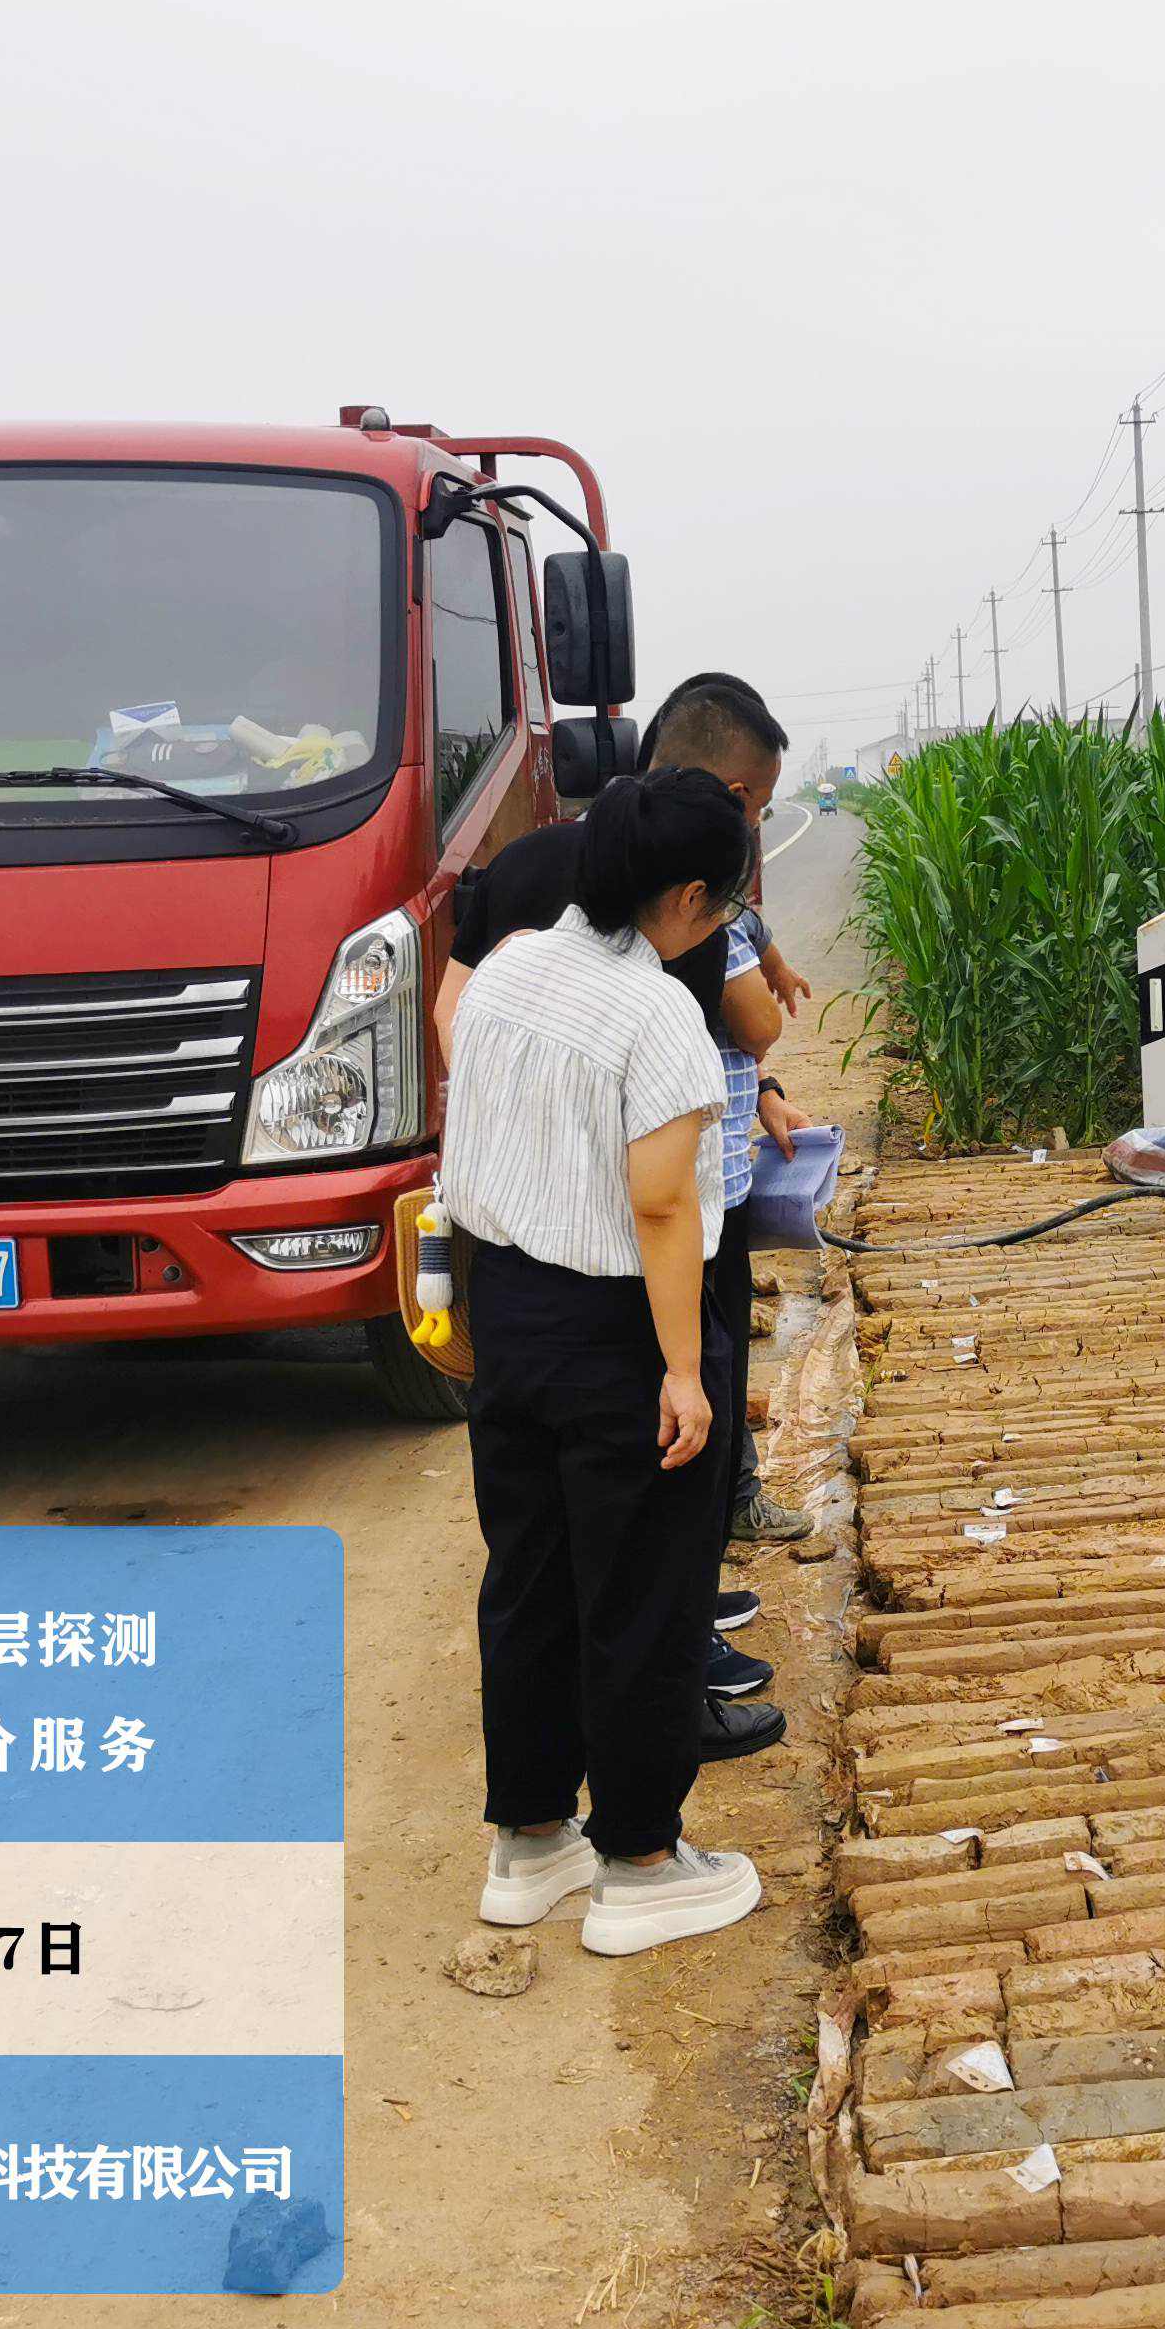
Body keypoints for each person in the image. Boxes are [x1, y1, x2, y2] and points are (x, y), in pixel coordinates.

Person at [437, 768, 775, 1956]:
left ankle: (530, 1841)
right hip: (617, 1332)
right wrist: (684, 1372)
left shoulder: (511, 967)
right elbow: (665, 1208)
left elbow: (467, 1142)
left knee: (528, 1581)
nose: (726, 920)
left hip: (511, 1315)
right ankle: (640, 1857)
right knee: (640, 1594)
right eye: (724, 902)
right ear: (685, 896)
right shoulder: (654, 1014)